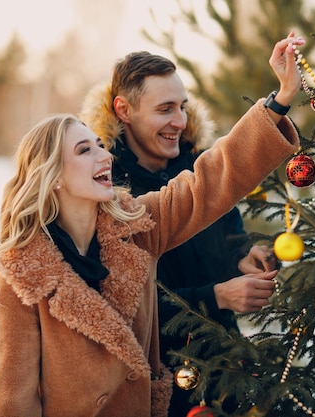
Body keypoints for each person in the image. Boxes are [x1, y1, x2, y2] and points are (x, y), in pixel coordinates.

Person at [0, 31, 304, 417]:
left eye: (98, 146)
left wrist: (280, 100)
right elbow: (12, 399)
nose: (102, 156)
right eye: (84, 150)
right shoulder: (24, 273)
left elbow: (213, 179)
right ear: (52, 176)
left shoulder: (138, 227)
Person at [79, 41, 291, 415]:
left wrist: (243, 257)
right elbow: (120, 305)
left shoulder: (193, 165)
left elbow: (228, 233)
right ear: (123, 110)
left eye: (182, 106)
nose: (179, 121)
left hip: (227, 366)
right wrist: (216, 296)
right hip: (161, 386)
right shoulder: (105, 191)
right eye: (165, 109)